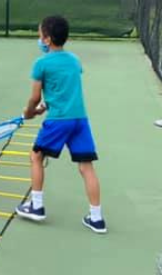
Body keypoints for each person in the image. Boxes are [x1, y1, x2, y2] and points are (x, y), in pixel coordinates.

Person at [15, 15, 107, 234]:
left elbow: (35, 98)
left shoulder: (41, 63)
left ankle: (36, 206)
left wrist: (29, 112)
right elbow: (65, 87)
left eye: (39, 35)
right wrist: (51, 102)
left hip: (59, 121)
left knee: (36, 156)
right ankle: (97, 219)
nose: (39, 39)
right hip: (80, 120)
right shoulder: (74, 60)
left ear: (46, 40)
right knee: (86, 167)